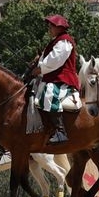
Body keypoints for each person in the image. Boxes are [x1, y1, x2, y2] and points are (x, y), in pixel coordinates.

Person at [32, 14, 81, 145]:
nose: (49, 29)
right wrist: (37, 64)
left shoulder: (64, 41)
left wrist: (40, 69)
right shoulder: (55, 41)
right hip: (53, 77)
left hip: (63, 79)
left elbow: (55, 60)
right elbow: (47, 59)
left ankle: (60, 131)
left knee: (49, 93)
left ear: (59, 27)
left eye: (51, 26)